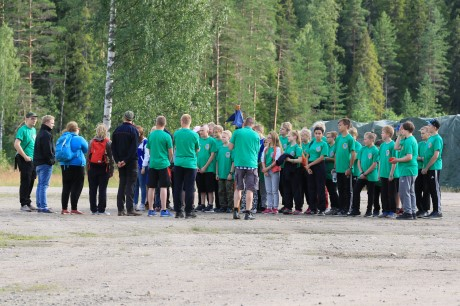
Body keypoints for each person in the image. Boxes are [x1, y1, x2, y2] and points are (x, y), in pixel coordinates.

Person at [229, 117, 260, 220]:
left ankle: (236, 211)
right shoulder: (256, 135)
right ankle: (248, 213)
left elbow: (230, 147)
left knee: (238, 188)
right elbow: (257, 150)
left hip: (239, 163)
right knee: (250, 189)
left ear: (244, 123)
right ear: (253, 125)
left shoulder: (237, 132)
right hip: (251, 164)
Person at [112, 111, 141, 216]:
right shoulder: (134, 130)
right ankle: (129, 209)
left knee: (122, 184)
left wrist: (118, 161)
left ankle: (120, 209)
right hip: (131, 161)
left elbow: (113, 147)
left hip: (120, 162)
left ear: (124, 117)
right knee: (131, 185)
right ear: (132, 118)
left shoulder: (117, 130)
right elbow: (134, 149)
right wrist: (126, 160)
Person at [146, 116, 174, 217]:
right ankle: (163, 209)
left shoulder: (151, 135)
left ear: (156, 123)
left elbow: (148, 149)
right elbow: (171, 152)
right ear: (164, 124)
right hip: (163, 164)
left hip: (153, 163)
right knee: (163, 186)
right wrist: (169, 160)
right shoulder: (167, 136)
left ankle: (150, 209)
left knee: (151, 187)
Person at [173, 114, 200, 219]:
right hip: (190, 163)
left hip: (179, 162)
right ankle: (189, 211)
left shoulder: (177, 133)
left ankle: (178, 211)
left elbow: (174, 146)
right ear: (190, 122)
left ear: (181, 121)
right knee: (189, 188)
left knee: (178, 187)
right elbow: (197, 149)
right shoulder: (194, 135)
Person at [59, 121, 88, 215]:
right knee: (77, 186)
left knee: (66, 186)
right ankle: (74, 208)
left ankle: (64, 208)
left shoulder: (62, 137)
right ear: (76, 129)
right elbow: (86, 149)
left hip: (64, 165)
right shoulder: (79, 138)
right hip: (77, 165)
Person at [392, 121, 418, 220]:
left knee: (404, 192)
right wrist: (399, 135)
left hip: (408, 169)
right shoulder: (407, 139)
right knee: (410, 192)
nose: (400, 130)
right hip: (409, 170)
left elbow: (409, 157)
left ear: (406, 130)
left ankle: (408, 212)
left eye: (401, 129)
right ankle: (412, 211)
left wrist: (396, 160)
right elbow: (396, 147)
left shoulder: (409, 141)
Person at [349, 132, 379, 217]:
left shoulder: (375, 150)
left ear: (371, 139)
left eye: (366, 139)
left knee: (370, 193)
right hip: (362, 175)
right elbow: (359, 161)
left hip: (371, 176)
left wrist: (366, 173)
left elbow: (374, 164)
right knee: (356, 190)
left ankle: (369, 211)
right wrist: (362, 172)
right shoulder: (362, 149)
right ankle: (355, 209)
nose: (364, 140)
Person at [87, 123, 114, 215]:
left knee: (92, 189)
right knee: (102, 189)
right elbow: (111, 158)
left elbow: (88, 157)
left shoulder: (91, 142)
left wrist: (87, 169)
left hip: (92, 168)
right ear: (105, 132)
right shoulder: (108, 142)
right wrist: (111, 170)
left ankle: (93, 209)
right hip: (103, 168)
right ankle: (101, 210)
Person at [14, 112, 38, 212]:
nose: (34, 120)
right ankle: (23, 203)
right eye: (32, 118)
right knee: (25, 180)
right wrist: (25, 156)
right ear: (26, 119)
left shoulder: (34, 130)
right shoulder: (22, 129)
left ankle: (28, 202)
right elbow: (16, 144)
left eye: (36, 118)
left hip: (32, 159)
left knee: (32, 180)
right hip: (23, 158)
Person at [33, 115, 55, 213]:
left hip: (38, 163)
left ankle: (40, 205)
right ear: (46, 122)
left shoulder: (40, 133)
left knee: (40, 185)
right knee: (44, 185)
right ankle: (43, 206)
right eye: (52, 123)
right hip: (45, 163)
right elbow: (47, 150)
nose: (53, 125)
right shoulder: (46, 134)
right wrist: (51, 160)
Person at [421, 119, 443, 219]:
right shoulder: (430, 138)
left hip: (434, 167)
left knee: (435, 189)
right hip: (428, 168)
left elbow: (435, 155)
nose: (428, 127)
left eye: (429, 125)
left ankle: (438, 211)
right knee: (430, 189)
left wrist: (427, 167)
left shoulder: (437, 138)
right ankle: (433, 211)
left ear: (434, 127)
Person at [334, 118, 356, 216]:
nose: (339, 127)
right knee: (340, 189)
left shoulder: (350, 138)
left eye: (340, 125)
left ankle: (347, 208)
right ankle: (341, 208)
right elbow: (336, 152)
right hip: (338, 168)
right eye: (338, 125)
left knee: (347, 189)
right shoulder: (338, 138)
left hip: (346, 169)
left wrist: (350, 168)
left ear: (346, 126)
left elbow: (353, 154)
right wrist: (335, 166)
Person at [305, 126, 328, 215]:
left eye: (319, 133)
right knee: (311, 187)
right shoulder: (311, 143)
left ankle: (322, 208)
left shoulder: (324, 144)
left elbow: (322, 157)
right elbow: (307, 155)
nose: (317, 135)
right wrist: (307, 167)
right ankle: (313, 208)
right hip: (310, 166)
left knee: (320, 188)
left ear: (322, 134)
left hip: (319, 166)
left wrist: (310, 165)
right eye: (316, 133)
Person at [378, 125, 399, 219]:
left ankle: (392, 211)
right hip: (383, 173)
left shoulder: (393, 145)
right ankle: (385, 210)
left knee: (391, 193)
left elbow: (394, 161)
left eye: (382, 132)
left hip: (391, 174)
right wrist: (379, 173)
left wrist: (391, 173)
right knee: (384, 193)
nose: (381, 134)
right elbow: (380, 160)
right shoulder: (382, 145)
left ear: (388, 134)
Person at [196, 124, 217, 212]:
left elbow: (212, 155)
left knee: (209, 188)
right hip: (198, 168)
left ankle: (210, 204)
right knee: (201, 188)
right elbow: (194, 152)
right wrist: (197, 166)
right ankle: (202, 204)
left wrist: (205, 167)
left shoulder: (211, 141)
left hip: (209, 169)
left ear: (207, 131)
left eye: (202, 130)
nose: (200, 132)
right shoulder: (197, 140)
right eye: (200, 130)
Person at [281, 130, 303, 215]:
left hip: (295, 171)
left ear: (295, 137)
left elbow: (300, 160)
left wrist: (290, 160)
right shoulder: (287, 147)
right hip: (287, 170)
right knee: (287, 189)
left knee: (296, 189)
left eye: (289, 136)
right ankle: (288, 207)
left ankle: (298, 208)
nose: (288, 137)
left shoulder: (298, 147)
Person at [261, 131, 282, 214]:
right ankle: (269, 207)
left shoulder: (277, 149)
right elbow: (262, 159)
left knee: (274, 190)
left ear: (274, 138)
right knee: (268, 190)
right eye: (268, 137)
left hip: (274, 170)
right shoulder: (266, 148)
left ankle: (275, 207)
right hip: (266, 171)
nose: (268, 139)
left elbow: (276, 161)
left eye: (270, 137)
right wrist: (264, 169)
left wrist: (267, 168)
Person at [215, 130, 234, 213]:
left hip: (228, 174)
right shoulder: (220, 148)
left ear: (229, 138)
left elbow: (233, 161)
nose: (222, 138)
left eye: (224, 137)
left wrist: (231, 173)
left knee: (229, 191)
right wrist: (217, 173)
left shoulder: (231, 148)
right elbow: (217, 162)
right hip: (221, 174)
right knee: (221, 191)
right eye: (222, 137)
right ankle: (223, 206)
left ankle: (230, 207)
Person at [415, 126, 430, 217]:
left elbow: (432, 157)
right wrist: (422, 158)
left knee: (426, 190)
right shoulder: (419, 144)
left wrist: (423, 159)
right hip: (419, 169)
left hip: (428, 169)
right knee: (417, 189)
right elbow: (415, 156)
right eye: (421, 133)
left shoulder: (431, 143)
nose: (421, 135)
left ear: (429, 133)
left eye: (423, 133)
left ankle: (425, 209)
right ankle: (420, 209)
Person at [324, 131, 340, 215]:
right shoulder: (326, 146)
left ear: (333, 137)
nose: (327, 139)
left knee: (333, 191)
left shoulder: (336, 146)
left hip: (333, 172)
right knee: (329, 191)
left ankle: (336, 207)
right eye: (326, 137)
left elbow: (336, 159)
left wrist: (327, 158)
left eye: (329, 137)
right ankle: (332, 207)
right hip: (325, 172)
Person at [134, 126, 148, 211]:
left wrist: (143, 166)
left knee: (142, 185)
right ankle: (134, 203)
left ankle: (143, 203)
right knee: (135, 186)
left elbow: (146, 155)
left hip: (142, 166)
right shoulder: (136, 142)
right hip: (135, 166)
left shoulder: (145, 141)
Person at [300, 128, 312, 214]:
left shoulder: (310, 145)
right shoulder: (299, 145)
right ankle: (299, 206)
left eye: (303, 135)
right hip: (299, 169)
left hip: (307, 168)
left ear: (308, 136)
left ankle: (311, 206)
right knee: (301, 188)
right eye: (301, 135)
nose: (301, 137)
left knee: (309, 188)